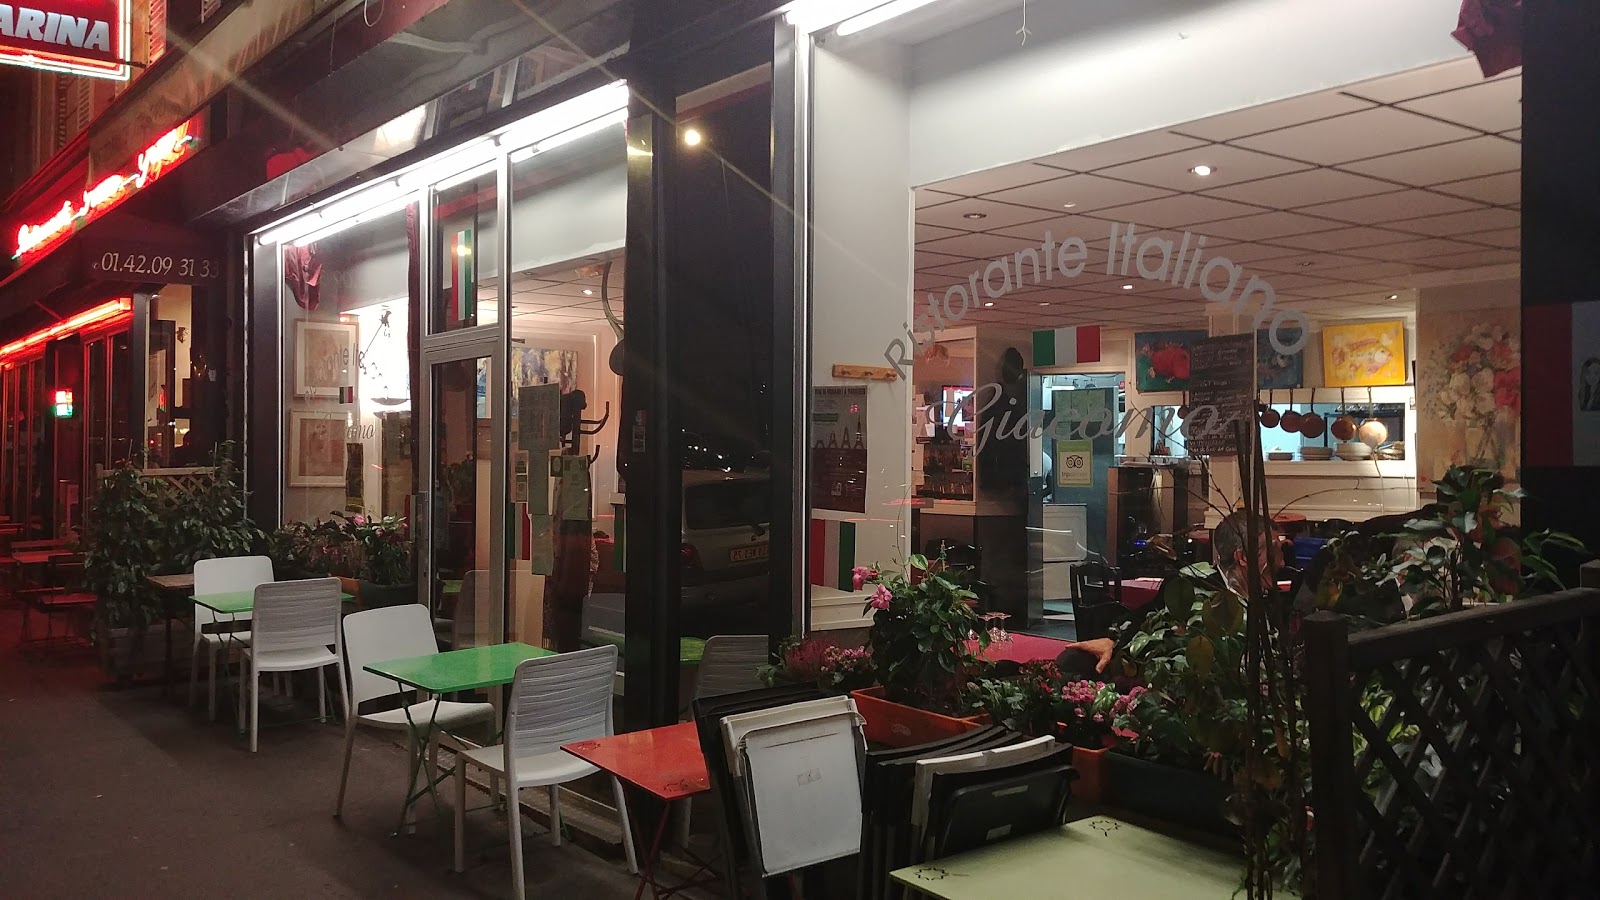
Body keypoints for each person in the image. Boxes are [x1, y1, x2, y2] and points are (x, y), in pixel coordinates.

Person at [1058, 510, 1282, 676]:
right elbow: (1146, 618)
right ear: (1242, 557)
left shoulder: (1273, 600)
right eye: (1274, 552)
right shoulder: (1193, 588)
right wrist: (1114, 640)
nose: (1281, 563)